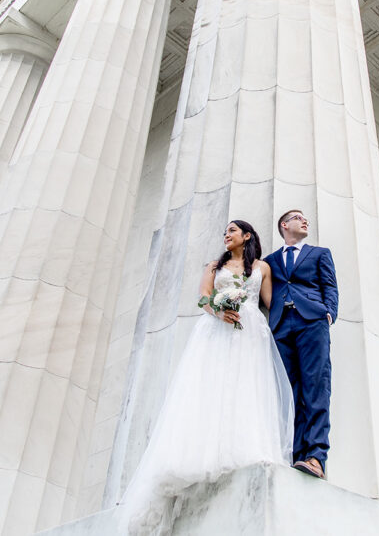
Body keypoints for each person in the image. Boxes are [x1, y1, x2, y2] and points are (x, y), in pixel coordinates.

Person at [118, 220, 294, 534]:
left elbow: (272, 304)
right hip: (217, 330)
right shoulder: (214, 266)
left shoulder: (262, 268)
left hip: (251, 332)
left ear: (246, 236)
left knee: (247, 389)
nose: (226, 235)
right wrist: (217, 308)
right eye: (224, 232)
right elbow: (202, 298)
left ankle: (244, 445)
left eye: (231, 231)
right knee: (211, 387)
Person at [264, 209, 338, 479]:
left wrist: (329, 312)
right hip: (282, 326)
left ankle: (316, 455)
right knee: (288, 391)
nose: (304, 220)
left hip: (312, 322)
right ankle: (295, 454)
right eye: (298, 217)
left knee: (316, 386)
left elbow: (330, 285)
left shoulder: (320, 253)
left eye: (305, 218)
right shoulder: (270, 261)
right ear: (284, 225)